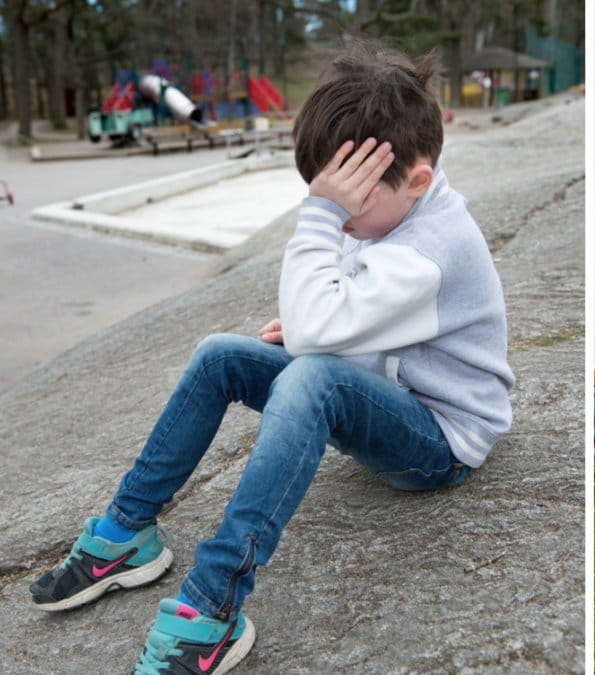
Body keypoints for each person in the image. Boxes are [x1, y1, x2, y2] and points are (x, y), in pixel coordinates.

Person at [29, 42, 514, 674]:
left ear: (416, 180)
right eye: (328, 199)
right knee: (219, 357)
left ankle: (213, 607)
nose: (338, 221)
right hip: (387, 390)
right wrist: (330, 324)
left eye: (348, 205)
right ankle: (127, 532)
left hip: (439, 442)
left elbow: (346, 308)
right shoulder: (394, 207)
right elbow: (346, 297)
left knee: (312, 377)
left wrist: (319, 251)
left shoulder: (432, 246)